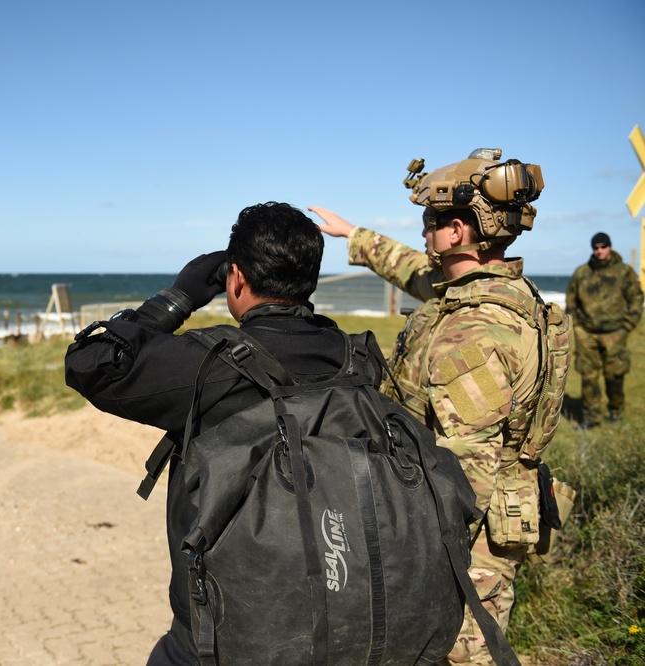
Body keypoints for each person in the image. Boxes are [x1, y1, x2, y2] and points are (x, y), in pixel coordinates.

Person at [64, 202, 360, 665]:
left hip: (225, 633)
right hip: (345, 613)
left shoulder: (211, 364)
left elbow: (90, 364)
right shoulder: (357, 358)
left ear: (235, 279)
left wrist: (178, 296)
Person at [308, 148, 557, 665]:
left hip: (466, 542)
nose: (424, 233)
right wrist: (355, 236)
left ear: (458, 231)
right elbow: (419, 275)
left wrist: (405, 545)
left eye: (430, 221)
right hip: (492, 518)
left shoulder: (471, 336)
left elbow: (467, 474)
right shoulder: (501, 292)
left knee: (461, 652)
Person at [565, 232, 643, 428]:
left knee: (614, 377)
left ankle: (616, 412)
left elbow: (636, 299)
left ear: (609, 247)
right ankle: (591, 419)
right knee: (588, 377)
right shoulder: (582, 272)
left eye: (603, 247)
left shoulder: (624, 272)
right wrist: (577, 327)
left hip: (615, 333)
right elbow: (571, 301)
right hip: (587, 334)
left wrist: (626, 326)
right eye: (596, 248)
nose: (599, 251)